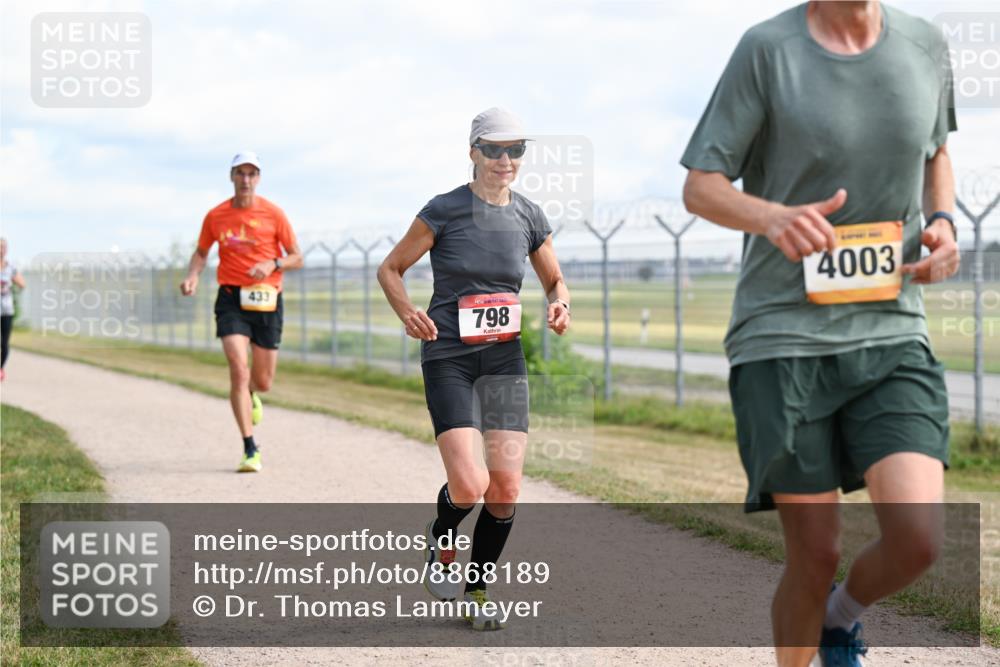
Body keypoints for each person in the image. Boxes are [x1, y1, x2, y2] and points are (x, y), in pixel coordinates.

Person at [681, 2, 958, 666]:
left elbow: (938, 150)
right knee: (815, 553)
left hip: (892, 330)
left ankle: (840, 618)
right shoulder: (767, 49)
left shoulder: (925, 45)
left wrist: (942, 221)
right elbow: (700, 186)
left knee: (918, 538)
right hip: (781, 338)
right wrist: (771, 216)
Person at [377, 107, 571, 631]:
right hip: (450, 357)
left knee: (505, 489)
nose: (505, 160)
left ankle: (477, 590)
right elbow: (390, 268)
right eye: (494, 149)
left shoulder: (529, 215)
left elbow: (555, 280)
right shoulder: (444, 210)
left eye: (515, 150)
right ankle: (442, 534)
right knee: (468, 485)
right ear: (473, 152)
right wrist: (406, 310)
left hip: (504, 358)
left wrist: (560, 303)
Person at [180, 152, 302, 472]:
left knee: (262, 381)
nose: (246, 179)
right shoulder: (216, 216)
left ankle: (252, 394)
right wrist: (193, 275)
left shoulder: (274, 214)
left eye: (252, 173)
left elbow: (296, 257)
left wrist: (272, 263)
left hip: (267, 300)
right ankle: (250, 448)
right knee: (237, 366)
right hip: (232, 298)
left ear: (258, 178)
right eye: (240, 173)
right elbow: (202, 252)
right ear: (231, 176)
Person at [1, 237, 27, 381]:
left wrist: (11, 284)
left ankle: (1, 368)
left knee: (4, 342)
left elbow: (23, 284)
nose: (2, 250)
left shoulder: (11, 268)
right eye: (0, 247)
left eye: (4, 247)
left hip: (7, 310)